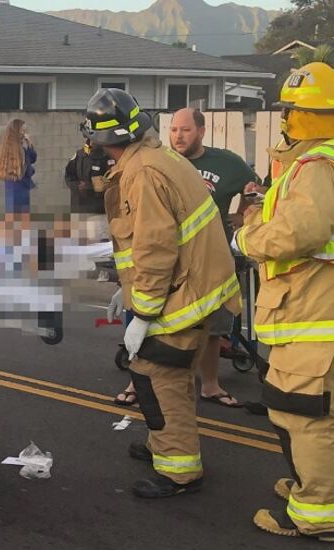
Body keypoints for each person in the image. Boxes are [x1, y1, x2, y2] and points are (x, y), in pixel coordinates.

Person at [84, 88, 241, 498]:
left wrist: (144, 313)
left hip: (180, 294)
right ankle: (163, 445)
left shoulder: (142, 173)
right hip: (194, 287)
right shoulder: (155, 158)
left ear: (104, 140)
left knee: (158, 379)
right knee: (172, 376)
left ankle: (178, 472)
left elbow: (154, 249)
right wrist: (128, 290)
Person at [233, 62, 334, 541]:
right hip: (313, 311)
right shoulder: (314, 163)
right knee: (309, 411)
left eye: (289, 110)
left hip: (315, 315)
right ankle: (309, 486)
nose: (285, 118)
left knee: (304, 415)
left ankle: (315, 514)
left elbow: (302, 231)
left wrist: (248, 240)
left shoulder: (318, 165)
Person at [113, 107, 260, 408]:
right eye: (174, 130)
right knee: (157, 327)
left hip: (211, 260)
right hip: (174, 264)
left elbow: (255, 189)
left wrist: (243, 215)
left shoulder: (226, 163)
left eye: (186, 130)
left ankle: (210, 384)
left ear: (202, 131)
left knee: (213, 328)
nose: (178, 136)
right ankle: (137, 382)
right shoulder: (164, 162)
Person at [0, 119, 37, 234]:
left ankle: (21, 240)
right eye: (22, 130)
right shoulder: (12, 149)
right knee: (16, 218)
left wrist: (29, 145)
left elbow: (33, 159)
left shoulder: (23, 146)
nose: (24, 133)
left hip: (22, 186)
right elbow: (25, 166)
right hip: (16, 187)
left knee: (22, 218)